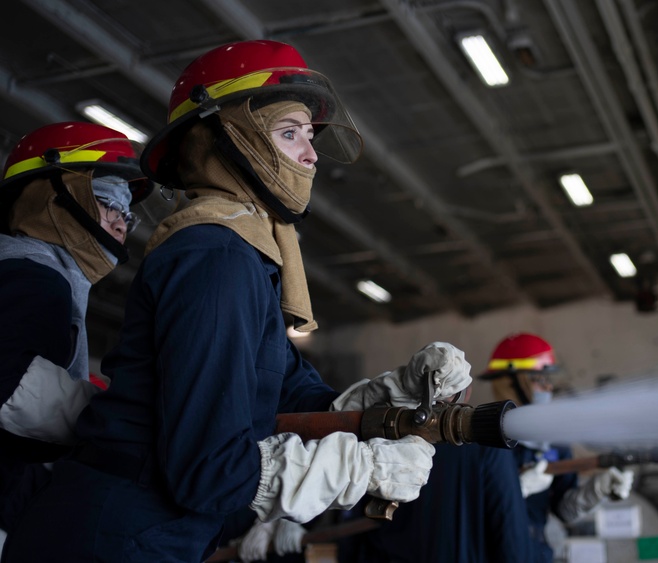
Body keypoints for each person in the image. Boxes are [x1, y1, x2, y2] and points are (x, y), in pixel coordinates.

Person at [1, 40, 471, 562]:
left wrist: (389, 398)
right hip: (111, 537)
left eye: (310, 136)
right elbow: (208, 469)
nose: (311, 154)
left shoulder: (244, 255)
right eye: (290, 133)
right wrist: (360, 471)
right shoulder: (213, 255)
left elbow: (291, 396)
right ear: (230, 139)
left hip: (142, 533)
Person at [0, 122, 150, 547]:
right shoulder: (32, 276)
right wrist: (119, 422)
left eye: (127, 214)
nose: (121, 226)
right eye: (107, 205)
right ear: (55, 199)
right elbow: (9, 385)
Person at [481, 333, 635, 563]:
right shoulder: (480, 439)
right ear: (510, 382)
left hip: (534, 553)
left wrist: (597, 491)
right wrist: (513, 490)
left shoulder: (553, 441)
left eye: (548, 379)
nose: (548, 387)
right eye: (539, 379)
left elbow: (564, 510)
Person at [336, 388, 531, 563]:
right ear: (465, 394)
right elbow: (513, 545)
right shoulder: (488, 450)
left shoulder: (383, 436)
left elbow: (352, 522)